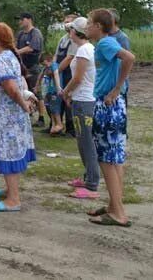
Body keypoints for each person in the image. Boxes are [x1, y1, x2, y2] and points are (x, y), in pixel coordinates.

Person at [0, 23, 36, 212]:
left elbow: (10, 87)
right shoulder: (8, 56)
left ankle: (14, 199)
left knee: (8, 153)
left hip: (5, 118)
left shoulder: (3, 59)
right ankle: (10, 189)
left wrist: (23, 104)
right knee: (8, 152)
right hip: (5, 117)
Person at [85, 9, 135, 227]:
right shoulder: (108, 44)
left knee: (106, 159)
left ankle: (118, 213)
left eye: (89, 23)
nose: (86, 27)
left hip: (108, 106)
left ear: (98, 26)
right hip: (115, 106)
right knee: (115, 158)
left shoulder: (105, 43)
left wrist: (116, 89)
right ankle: (115, 206)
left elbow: (129, 57)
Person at [60, 17, 100, 200]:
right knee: (82, 141)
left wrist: (65, 92)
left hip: (84, 101)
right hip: (82, 99)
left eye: (70, 30)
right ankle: (88, 177)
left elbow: (78, 78)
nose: (69, 33)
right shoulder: (85, 49)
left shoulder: (84, 49)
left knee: (86, 142)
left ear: (76, 32)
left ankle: (92, 184)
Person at [16, 12, 44, 122]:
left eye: (22, 19)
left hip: (33, 66)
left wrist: (17, 52)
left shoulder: (35, 33)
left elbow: (32, 48)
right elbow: (16, 46)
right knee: (23, 91)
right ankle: (28, 113)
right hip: (23, 67)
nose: (20, 22)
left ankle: (41, 117)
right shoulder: (21, 34)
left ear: (29, 19)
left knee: (36, 91)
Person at [54, 14, 79, 136]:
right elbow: (56, 55)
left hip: (69, 72)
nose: (66, 24)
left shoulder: (75, 40)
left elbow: (69, 58)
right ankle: (57, 125)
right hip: (60, 72)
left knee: (69, 99)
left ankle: (71, 129)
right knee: (58, 98)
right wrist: (53, 68)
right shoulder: (63, 38)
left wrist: (57, 71)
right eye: (65, 22)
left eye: (69, 22)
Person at [35, 53, 62, 135]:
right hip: (49, 91)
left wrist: (58, 88)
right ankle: (53, 125)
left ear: (48, 60)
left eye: (44, 63)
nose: (44, 65)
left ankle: (59, 124)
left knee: (55, 108)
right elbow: (40, 76)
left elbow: (56, 75)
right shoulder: (46, 67)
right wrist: (37, 86)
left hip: (55, 91)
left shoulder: (54, 65)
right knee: (50, 108)